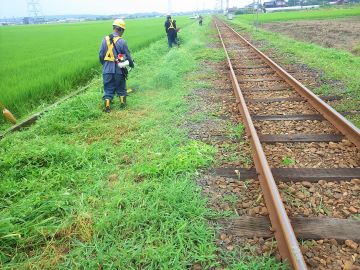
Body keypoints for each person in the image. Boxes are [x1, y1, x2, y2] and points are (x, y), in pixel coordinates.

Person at [99, 18, 134, 112]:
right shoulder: (122, 42)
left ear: (114, 27)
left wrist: (105, 65)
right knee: (121, 87)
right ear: (121, 30)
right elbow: (128, 56)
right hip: (119, 70)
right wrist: (131, 64)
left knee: (108, 88)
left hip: (107, 70)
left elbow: (101, 55)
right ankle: (123, 104)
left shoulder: (104, 40)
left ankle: (107, 107)